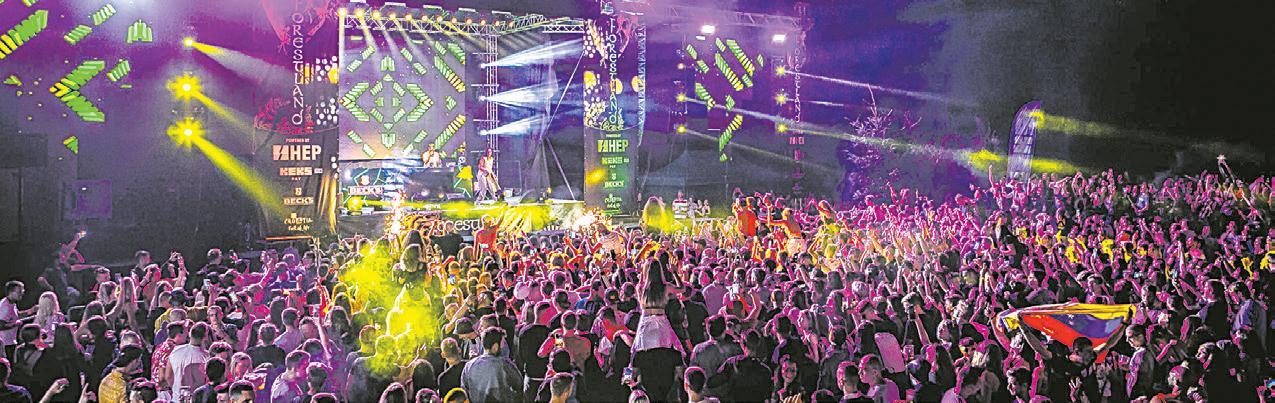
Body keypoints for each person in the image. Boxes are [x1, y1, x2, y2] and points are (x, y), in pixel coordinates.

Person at [461, 328, 522, 403]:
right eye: (502, 344)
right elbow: (518, 384)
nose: (503, 346)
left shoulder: (469, 366)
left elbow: (464, 389)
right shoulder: (505, 364)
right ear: (495, 347)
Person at [168, 322, 211, 401]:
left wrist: (176, 389)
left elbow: (168, 377)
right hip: (197, 399)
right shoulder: (206, 357)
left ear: (190, 334)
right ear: (205, 336)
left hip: (177, 398)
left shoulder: (175, 351)